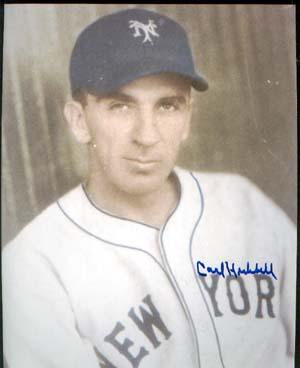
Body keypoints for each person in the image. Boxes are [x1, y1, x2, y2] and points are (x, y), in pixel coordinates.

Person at [2, 7, 296, 368]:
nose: (147, 136)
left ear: (188, 117)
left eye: (167, 106)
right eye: (121, 106)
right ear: (79, 121)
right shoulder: (36, 265)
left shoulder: (244, 203)